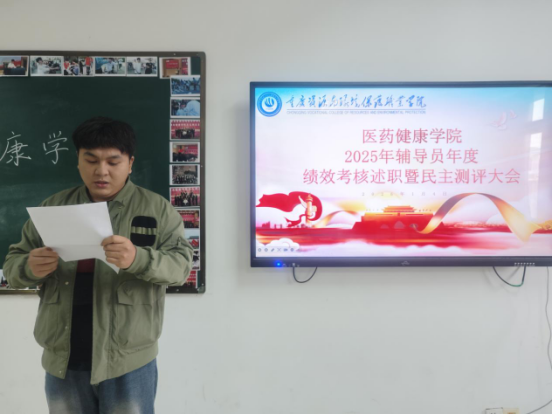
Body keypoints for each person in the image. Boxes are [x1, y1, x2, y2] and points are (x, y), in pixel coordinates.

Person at [3, 117, 193, 414]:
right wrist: (29, 267)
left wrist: (138, 258)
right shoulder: (54, 208)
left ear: (130, 163)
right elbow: (13, 266)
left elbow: (181, 267)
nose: (101, 171)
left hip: (128, 359)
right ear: (78, 161)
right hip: (63, 357)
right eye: (90, 160)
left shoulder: (158, 210)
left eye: (113, 162)